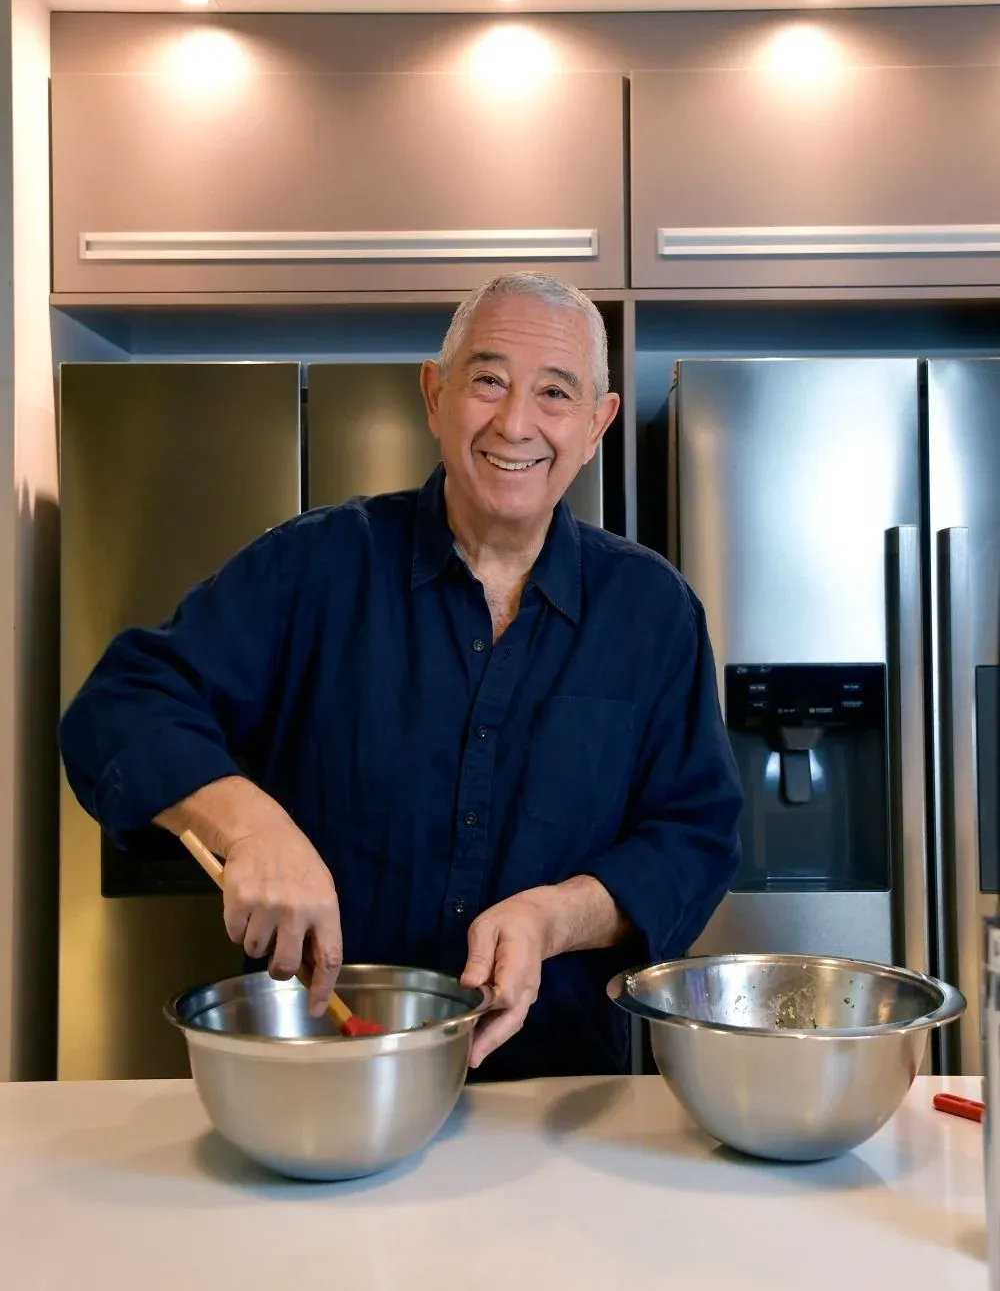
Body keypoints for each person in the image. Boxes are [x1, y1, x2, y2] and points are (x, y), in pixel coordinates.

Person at [59, 273, 742, 1080]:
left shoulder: (653, 611)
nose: (515, 422)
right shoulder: (314, 567)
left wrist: (557, 916)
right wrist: (248, 825)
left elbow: (694, 841)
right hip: (318, 1082)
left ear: (597, 424)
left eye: (555, 393)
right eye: (488, 381)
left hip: (553, 1097)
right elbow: (118, 705)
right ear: (434, 396)